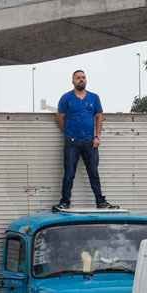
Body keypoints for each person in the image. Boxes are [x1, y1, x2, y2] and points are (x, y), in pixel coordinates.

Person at [52, 70, 118, 212]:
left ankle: (100, 201)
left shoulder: (94, 98)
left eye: (83, 77)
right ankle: (64, 202)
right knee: (69, 173)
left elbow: (99, 116)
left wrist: (97, 136)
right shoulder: (66, 98)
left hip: (90, 142)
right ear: (73, 81)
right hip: (72, 143)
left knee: (93, 172)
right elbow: (59, 117)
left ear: (86, 80)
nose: (81, 80)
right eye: (78, 78)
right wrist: (67, 133)